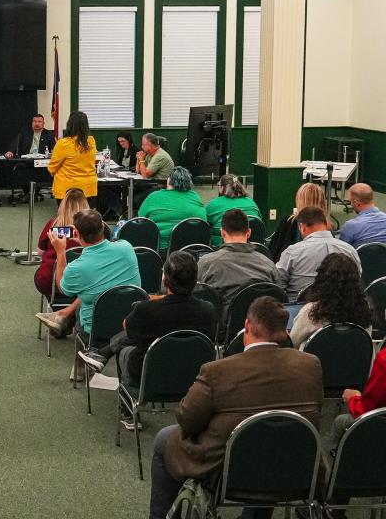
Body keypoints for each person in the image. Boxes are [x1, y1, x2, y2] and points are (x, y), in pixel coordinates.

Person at [149, 297, 323, 519]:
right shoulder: (311, 364)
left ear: (248, 326)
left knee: (165, 437)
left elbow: (187, 420)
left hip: (227, 474)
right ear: (284, 331)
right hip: (293, 467)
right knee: (274, 442)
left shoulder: (217, 371)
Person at [79, 252, 217, 429]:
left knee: (126, 347)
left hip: (149, 377)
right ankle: (103, 355)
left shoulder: (147, 310)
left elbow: (127, 328)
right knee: (139, 338)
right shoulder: (208, 310)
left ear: (165, 280)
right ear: (194, 280)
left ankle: (128, 411)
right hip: (194, 377)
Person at [35, 210, 141, 337]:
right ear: (103, 227)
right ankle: (62, 314)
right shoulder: (126, 247)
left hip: (96, 326)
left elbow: (62, 288)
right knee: (96, 288)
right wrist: (84, 242)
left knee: (89, 292)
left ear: (77, 233)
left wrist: (61, 252)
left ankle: (64, 319)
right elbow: (100, 254)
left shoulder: (77, 268)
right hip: (130, 319)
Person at [197, 209, 281, 335]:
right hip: (262, 333)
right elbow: (279, 297)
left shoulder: (207, 264)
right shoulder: (268, 264)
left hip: (222, 334)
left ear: (222, 233)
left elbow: (197, 297)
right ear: (249, 233)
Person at [277, 206, 361, 302]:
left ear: (302, 227)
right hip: (342, 309)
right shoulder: (350, 250)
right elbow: (357, 280)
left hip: (299, 309)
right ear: (326, 224)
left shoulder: (292, 252)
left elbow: (278, 284)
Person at [289, 252, 372, 347]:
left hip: (316, 362)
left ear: (322, 280)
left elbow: (291, 342)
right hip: (357, 361)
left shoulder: (311, 311)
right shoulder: (364, 309)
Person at [34, 189, 88, 300]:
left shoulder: (54, 226)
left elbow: (40, 252)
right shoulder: (93, 229)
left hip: (50, 280)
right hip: (83, 280)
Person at [137, 167, 207, 250]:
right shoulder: (195, 197)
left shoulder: (154, 197)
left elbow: (140, 219)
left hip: (160, 248)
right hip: (191, 248)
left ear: (169, 181)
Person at [47, 111, 97, 205]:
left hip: (67, 188)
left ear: (69, 124)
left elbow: (52, 168)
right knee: (85, 218)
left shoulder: (63, 143)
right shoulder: (91, 141)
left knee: (67, 218)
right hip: (88, 187)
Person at [268, 183, 328, 261]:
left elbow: (273, 252)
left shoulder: (289, 223)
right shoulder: (328, 228)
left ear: (300, 201)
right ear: (322, 202)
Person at [205, 174, 262, 247]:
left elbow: (205, 222)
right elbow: (259, 222)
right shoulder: (251, 202)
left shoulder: (213, 204)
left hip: (221, 246)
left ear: (222, 187)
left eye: (218, 185)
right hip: (252, 245)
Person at [339, 182, 386, 247]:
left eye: (350, 201)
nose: (351, 204)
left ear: (356, 202)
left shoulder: (350, 226)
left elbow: (342, 250)